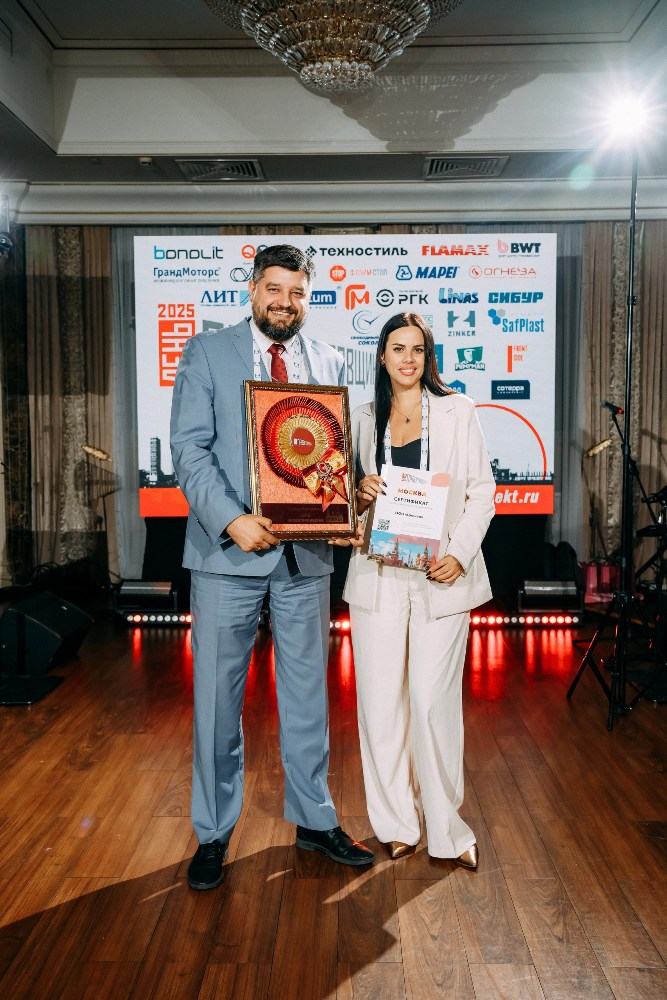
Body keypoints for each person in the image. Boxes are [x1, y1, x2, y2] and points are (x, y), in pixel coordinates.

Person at [170, 244, 374, 890]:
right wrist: (232, 519)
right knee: (216, 704)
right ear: (254, 289)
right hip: (227, 553)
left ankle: (314, 820)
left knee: (309, 700)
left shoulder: (329, 361)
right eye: (275, 289)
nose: (286, 302)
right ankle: (212, 833)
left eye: (297, 292)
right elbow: (189, 451)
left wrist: (349, 499)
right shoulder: (207, 352)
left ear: (307, 296)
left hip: (305, 558)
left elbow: (331, 458)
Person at [343, 312, 495, 868]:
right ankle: (396, 825)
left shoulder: (459, 410)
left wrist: (459, 554)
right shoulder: (361, 417)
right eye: (397, 348)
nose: (407, 359)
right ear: (381, 356)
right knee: (380, 705)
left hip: (441, 575)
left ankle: (448, 831)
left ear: (428, 357)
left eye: (417, 349)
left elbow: (482, 492)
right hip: (377, 575)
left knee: (432, 705)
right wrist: (359, 493)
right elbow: (341, 501)